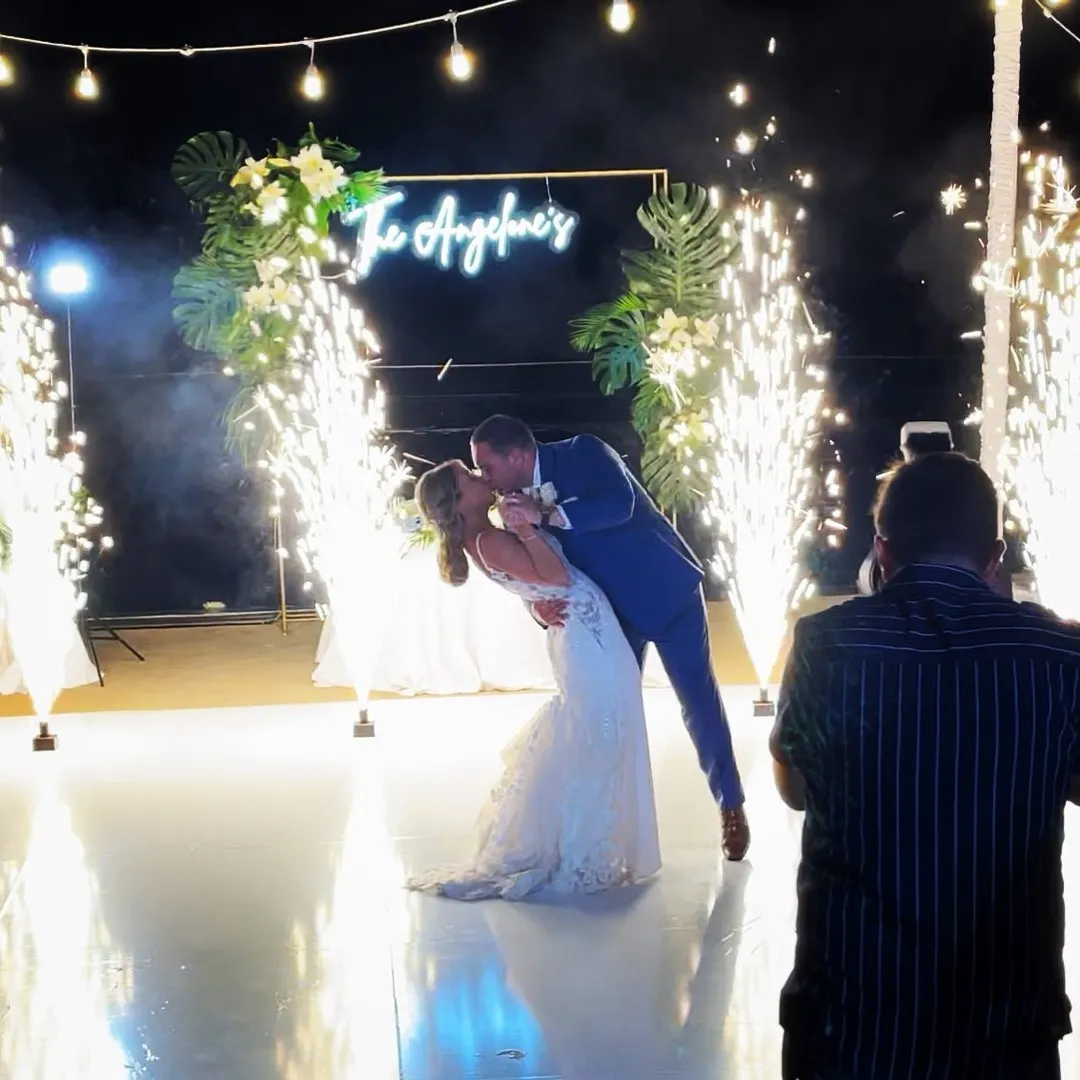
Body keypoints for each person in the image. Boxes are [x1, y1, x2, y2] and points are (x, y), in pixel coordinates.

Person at [771, 451, 1080, 1080]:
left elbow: (795, 787)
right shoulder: (1058, 654)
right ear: (995, 556)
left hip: (851, 1020)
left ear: (881, 551)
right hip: (1003, 1023)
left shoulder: (827, 643)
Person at [470, 415, 749, 860]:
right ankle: (606, 828)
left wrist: (543, 513)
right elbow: (531, 566)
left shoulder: (585, 449)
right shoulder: (508, 505)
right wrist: (536, 605)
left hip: (667, 591)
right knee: (607, 714)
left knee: (697, 701)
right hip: (610, 617)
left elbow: (619, 504)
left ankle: (731, 805)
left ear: (518, 455)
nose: (486, 479)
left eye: (488, 468)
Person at [410, 458, 661, 901]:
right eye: (468, 478)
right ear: (459, 501)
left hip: (581, 630)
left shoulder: (480, 538)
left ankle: (590, 842)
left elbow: (537, 585)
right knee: (602, 729)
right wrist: (527, 526)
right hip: (589, 637)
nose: (478, 476)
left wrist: (535, 600)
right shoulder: (487, 538)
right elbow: (557, 576)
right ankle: (586, 848)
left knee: (597, 727)